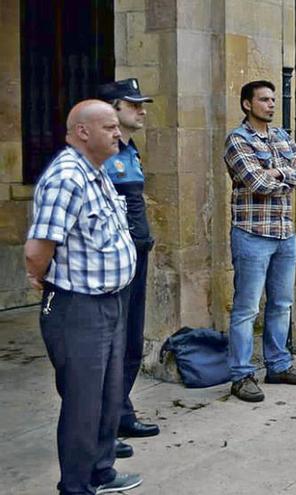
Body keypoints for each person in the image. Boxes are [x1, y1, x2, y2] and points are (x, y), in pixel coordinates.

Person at [25, 100, 142, 494]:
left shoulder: (96, 172)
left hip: (109, 301)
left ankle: (101, 472)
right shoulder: (66, 177)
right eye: (109, 126)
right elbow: (38, 246)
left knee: (109, 395)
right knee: (83, 402)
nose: (116, 132)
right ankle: (75, 486)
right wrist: (40, 279)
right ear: (82, 132)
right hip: (78, 306)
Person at [224, 80, 296, 402]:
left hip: (284, 234)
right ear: (247, 104)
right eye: (264, 99)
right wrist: (283, 174)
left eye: (274, 99)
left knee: (281, 305)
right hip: (252, 234)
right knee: (247, 308)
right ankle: (241, 374)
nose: (271, 104)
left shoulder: (281, 136)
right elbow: (257, 182)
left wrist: (277, 173)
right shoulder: (237, 140)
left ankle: (278, 365)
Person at [95, 79, 159, 453]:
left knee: (132, 341)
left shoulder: (129, 150)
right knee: (111, 345)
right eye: (134, 105)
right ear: (113, 108)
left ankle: (121, 412)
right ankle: (103, 428)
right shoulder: (99, 153)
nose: (142, 111)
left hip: (137, 255)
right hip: (111, 263)